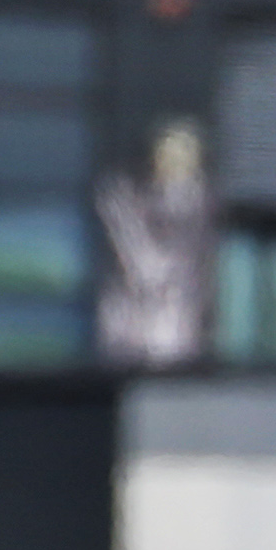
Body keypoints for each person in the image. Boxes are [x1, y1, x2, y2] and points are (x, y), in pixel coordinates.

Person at [94, 120, 216, 368]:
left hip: (178, 320)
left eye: (183, 154)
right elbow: (142, 262)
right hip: (135, 323)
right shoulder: (126, 200)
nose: (174, 162)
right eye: (168, 153)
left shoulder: (205, 204)